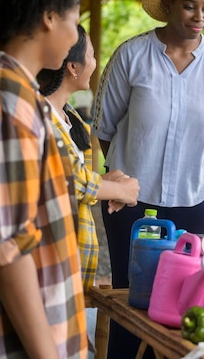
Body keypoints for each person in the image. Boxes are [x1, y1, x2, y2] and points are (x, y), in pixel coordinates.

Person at [91, 0, 204, 358]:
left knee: (187, 303)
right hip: (133, 201)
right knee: (131, 298)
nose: (200, 16)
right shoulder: (132, 55)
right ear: (168, 4)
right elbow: (104, 129)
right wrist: (119, 181)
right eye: (190, 5)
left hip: (197, 197)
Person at [0, 0, 88, 358]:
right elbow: (8, 251)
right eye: (74, 18)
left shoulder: (21, 94)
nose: (76, 33)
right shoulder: (9, 100)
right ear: (49, 16)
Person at [38, 24, 140, 291]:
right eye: (92, 55)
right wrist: (119, 189)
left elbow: (77, 178)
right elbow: (69, 180)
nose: (95, 63)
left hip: (73, 258)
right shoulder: (39, 116)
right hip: (49, 261)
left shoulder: (69, 118)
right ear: (73, 66)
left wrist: (107, 182)